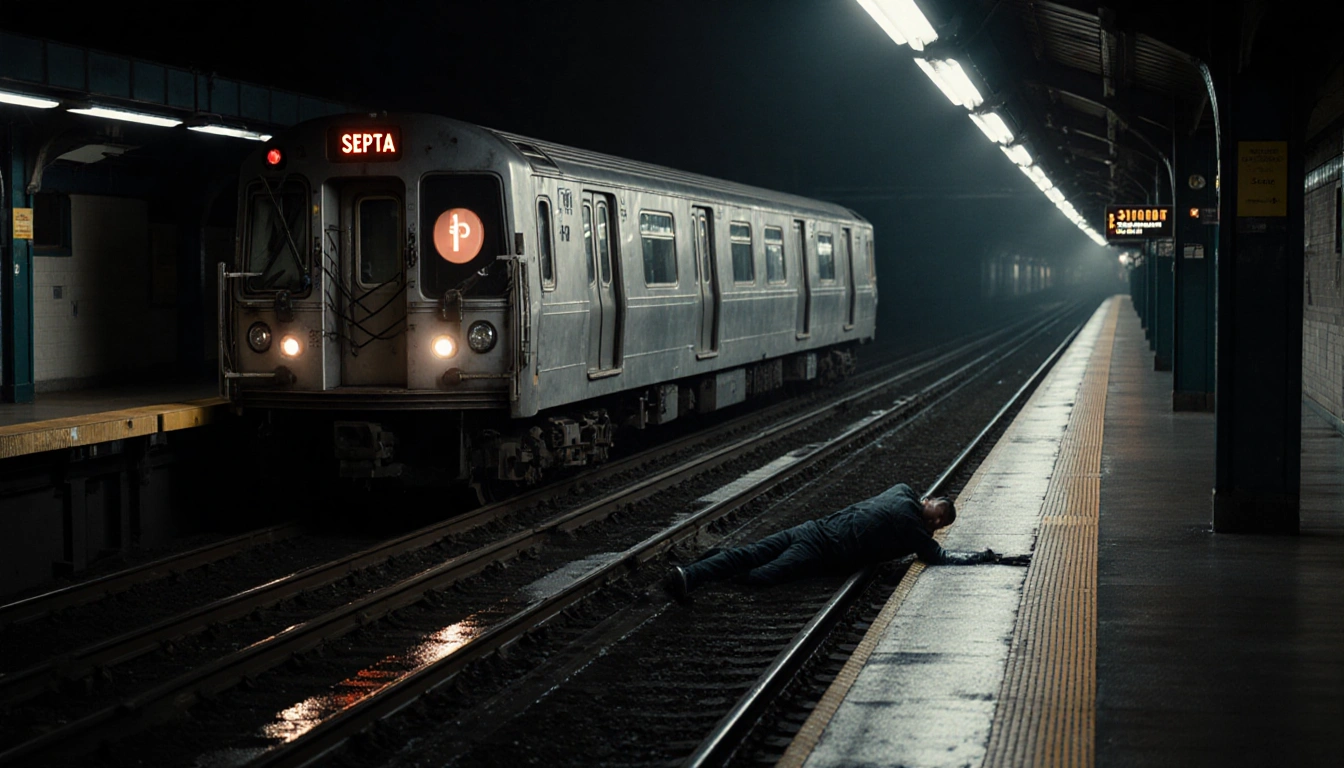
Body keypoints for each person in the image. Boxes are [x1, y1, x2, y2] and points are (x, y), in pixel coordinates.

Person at [663, 482, 1020, 601]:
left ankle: (696, 571)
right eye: (938, 513)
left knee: (751, 555)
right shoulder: (912, 527)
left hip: (812, 529)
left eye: (941, 521)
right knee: (765, 574)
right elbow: (938, 557)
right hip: (819, 547)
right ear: (928, 503)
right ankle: (700, 574)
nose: (936, 520)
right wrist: (984, 557)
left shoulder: (901, 491)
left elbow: (912, 530)